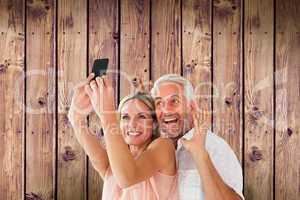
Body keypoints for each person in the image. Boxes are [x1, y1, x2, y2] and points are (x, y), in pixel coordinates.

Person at [68, 73, 178, 200]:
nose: (132, 124)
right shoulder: (114, 162)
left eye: (141, 116)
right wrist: (76, 115)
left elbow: (128, 178)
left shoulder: (164, 147)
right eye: (125, 117)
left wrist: (107, 114)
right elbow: (81, 129)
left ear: (154, 124)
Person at [150, 74, 244, 200]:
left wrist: (200, 155)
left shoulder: (215, 148)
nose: (166, 110)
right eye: (159, 103)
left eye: (175, 101)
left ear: (191, 106)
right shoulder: (152, 150)